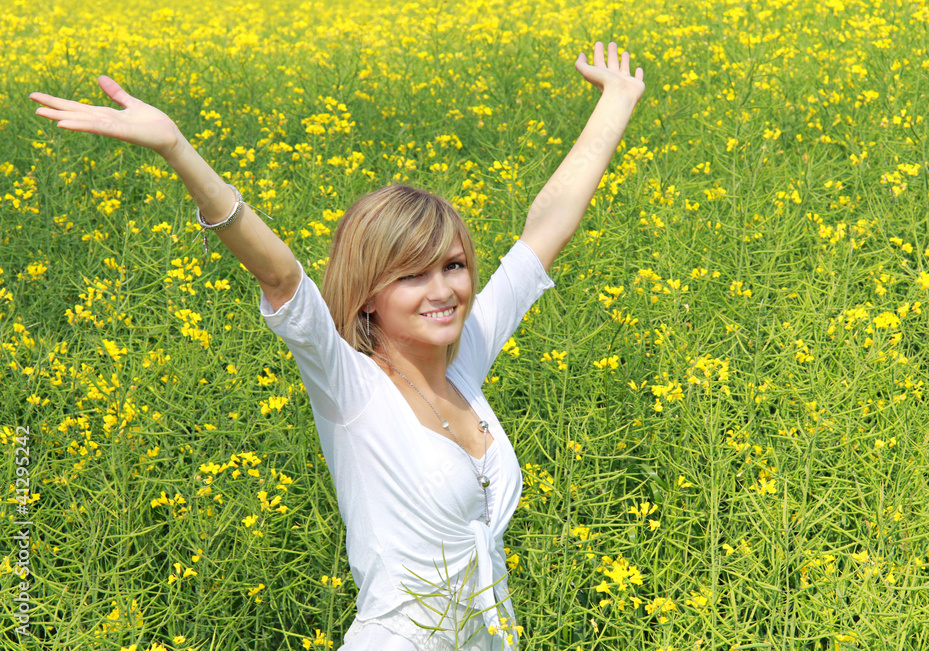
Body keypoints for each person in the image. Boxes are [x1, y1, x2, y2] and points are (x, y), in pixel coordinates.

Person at [31, 41, 644, 650]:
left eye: (453, 266)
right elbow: (280, 276)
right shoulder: (352, 388)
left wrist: (617, 99)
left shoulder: (465, 358)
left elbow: (546, 226)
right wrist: (177, 148)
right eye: (412, 275)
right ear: (368, 293)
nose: (442, 291)